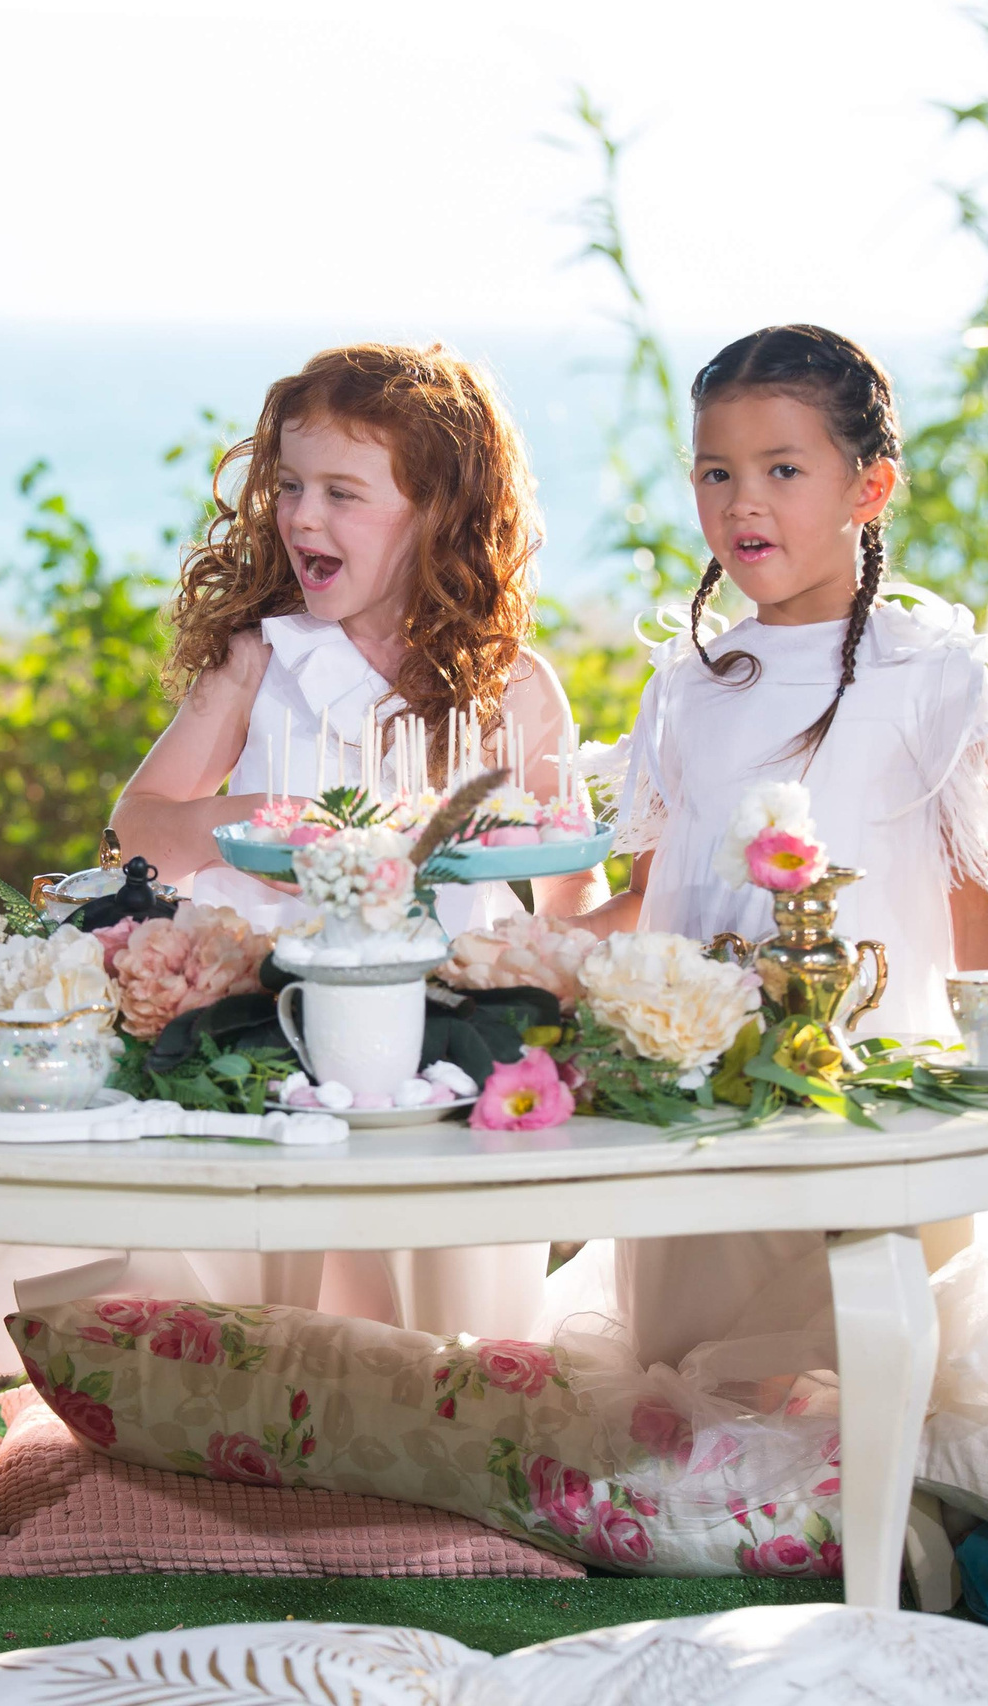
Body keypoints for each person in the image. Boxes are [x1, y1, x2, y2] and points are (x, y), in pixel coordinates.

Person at [551, 324, 988, 1371]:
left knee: (850, 1382)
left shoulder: (934, 678)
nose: (743, 501)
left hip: (871, 1120)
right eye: (716, 471)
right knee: (687, 1387)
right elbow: (650, 902)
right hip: (701, 1123)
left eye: (783, 469)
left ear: (866, 489)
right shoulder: (686, 687)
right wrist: (516, 964)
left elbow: (982, 921)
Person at [102, 342, 603, 1339]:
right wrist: (247, 823)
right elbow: (135, 828)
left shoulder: (513, 692)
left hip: (453, 1050)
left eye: (342, 491)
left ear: (438, 513)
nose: (301, 516)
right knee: (293, 1310)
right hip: (277, 1032)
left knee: (443, 1315)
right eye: (288, 486)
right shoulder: (261, 662)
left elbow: (568, 883)